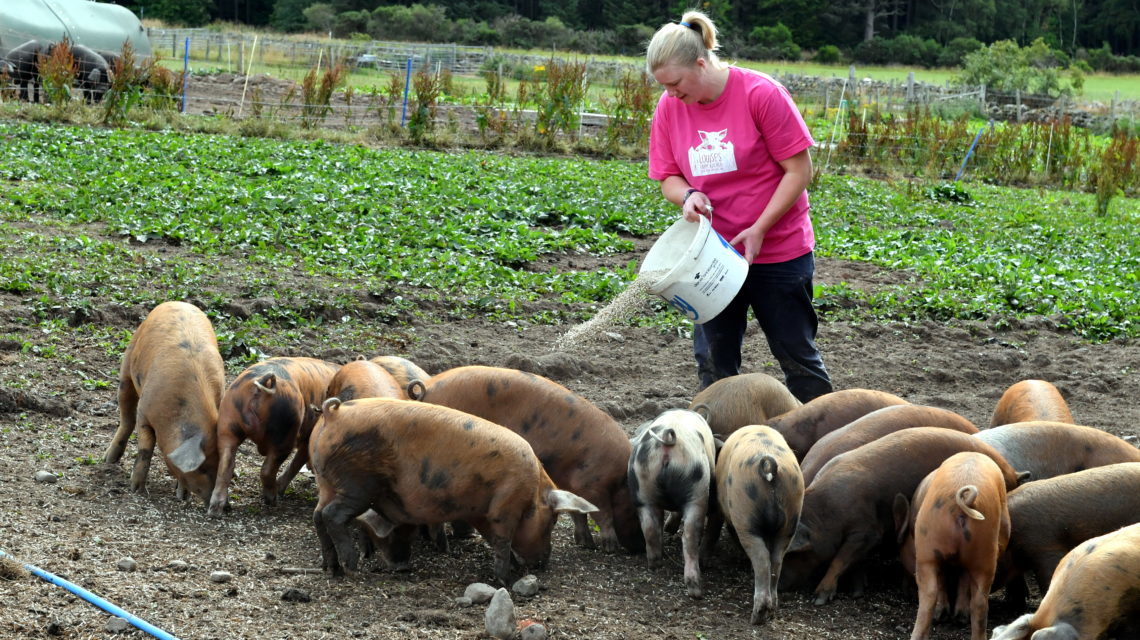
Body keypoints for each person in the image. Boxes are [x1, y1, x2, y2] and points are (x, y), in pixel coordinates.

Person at [645, 10, 833, 403]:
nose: (672, 94)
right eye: (665, 86)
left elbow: (799, 171)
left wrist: (761, 227)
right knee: (713, 361)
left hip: (777, 251)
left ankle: (820, 440)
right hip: (711, 255)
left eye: (676, 83)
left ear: (700, 63)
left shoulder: (760, 94)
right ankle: (717, 442)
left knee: (797, 355)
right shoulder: (669, 107)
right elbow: (668, 177)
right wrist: (687, 196)